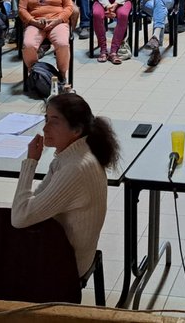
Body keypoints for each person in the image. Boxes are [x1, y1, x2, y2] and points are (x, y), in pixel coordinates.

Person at [10, 93, 120, 276]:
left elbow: (20, 217)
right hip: (57, 247)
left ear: (76, 130)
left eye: (54, 121)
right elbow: (33, 202)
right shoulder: (69, 156)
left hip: (67, 264)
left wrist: (30, 163)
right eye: (46, 119)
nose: (45, 128)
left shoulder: (75, 168)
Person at [19, 0, 76, 82]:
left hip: (57, 22)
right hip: (35, 22)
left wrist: (59, 20)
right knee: (28, 44)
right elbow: (22, 9)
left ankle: (62, 75)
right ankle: (36, 74)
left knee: (62, 43)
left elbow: (69, 6)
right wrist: (33, 21)